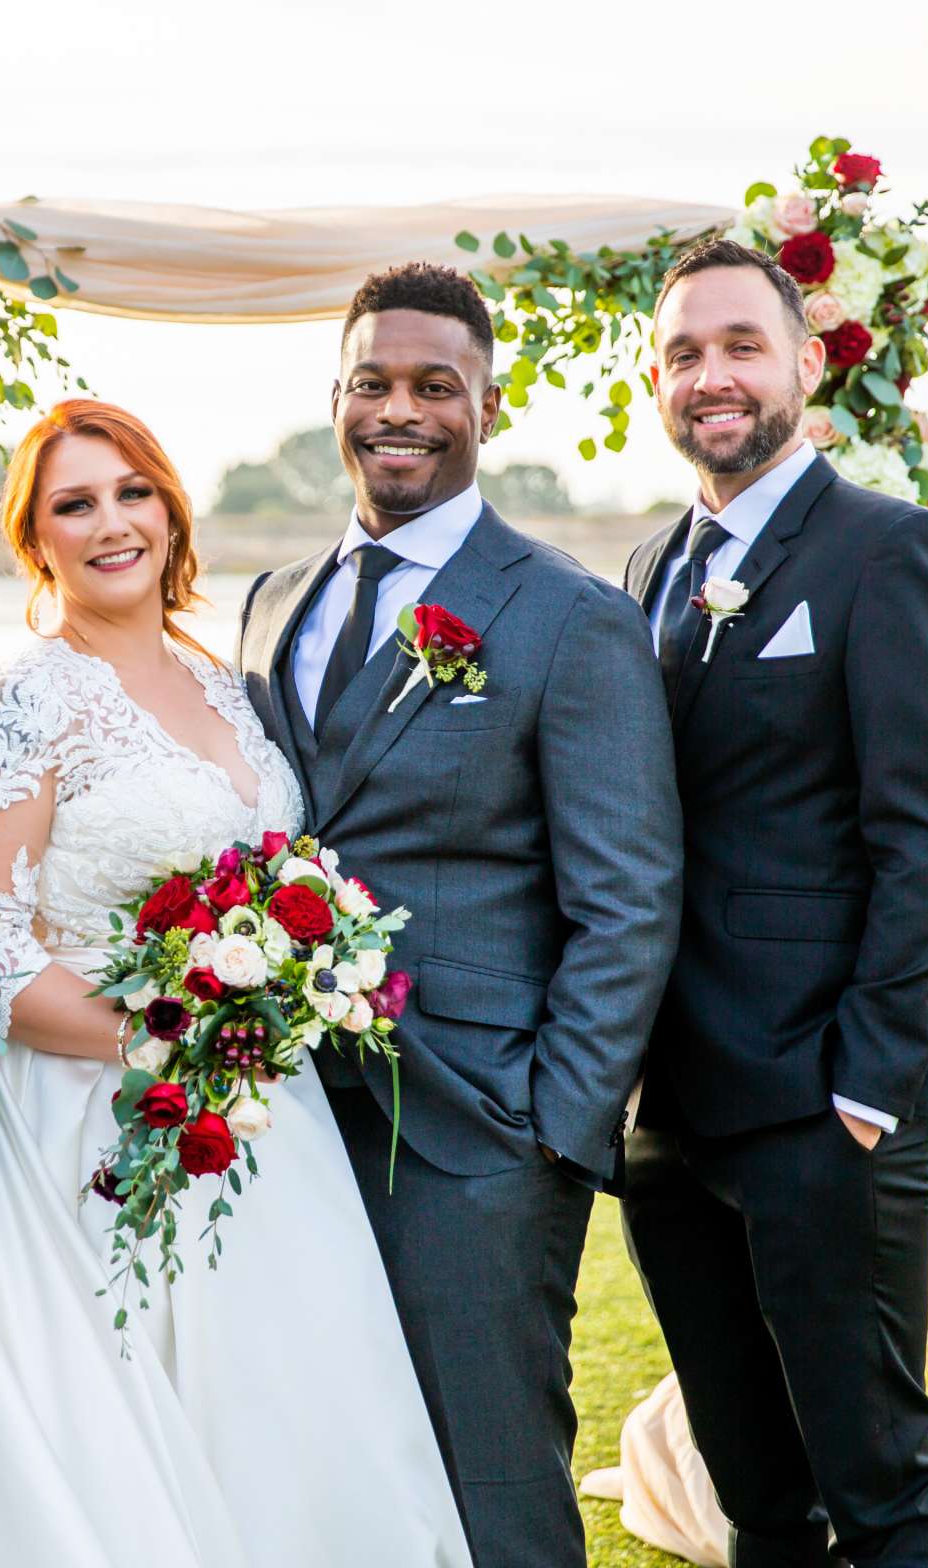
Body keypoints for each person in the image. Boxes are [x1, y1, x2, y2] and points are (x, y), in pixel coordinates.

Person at [0, 399, 471, 1567]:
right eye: (75, 503)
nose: (111, 522)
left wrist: (269, 1004)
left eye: (132, 492)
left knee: (285, 1421)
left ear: (170, 508)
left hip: (256, 1118)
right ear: (37, 540)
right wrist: (167, 1039)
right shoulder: (24, 700)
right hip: (78, 1127)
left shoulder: (225, 685)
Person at [235, 262, 684, 1568]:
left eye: (437, 385)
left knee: (493, 1484)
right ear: (337, 398)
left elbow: (629, 902)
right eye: (373, 382)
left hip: (481, 1135)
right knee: (317, 1460)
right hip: (288, 1127)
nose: (401, 410)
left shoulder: (568, 620)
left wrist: (553, 1133)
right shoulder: (273, 606)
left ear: (488, 404)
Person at [618, 236, 928, 1568]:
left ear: (807, 362)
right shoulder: (650, 568)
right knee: (758, 1507)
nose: (710, 377)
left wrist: (869, 1088)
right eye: (683, 354)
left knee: (883, 1496)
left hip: (824, 1106)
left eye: (739, 347)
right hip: (669, 1113)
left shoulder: (892, 554)